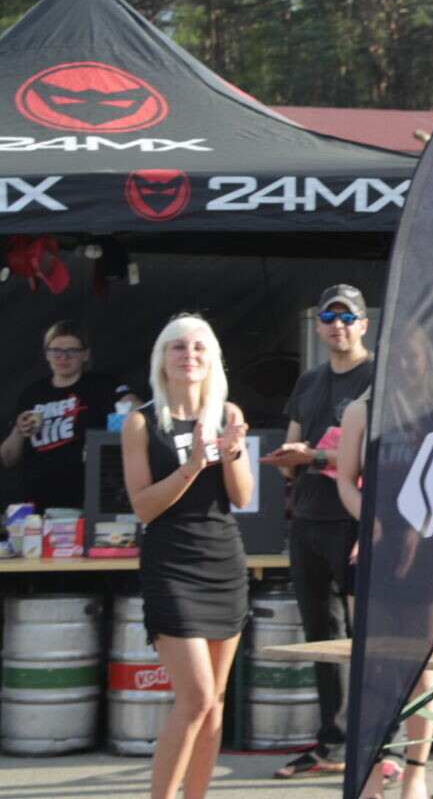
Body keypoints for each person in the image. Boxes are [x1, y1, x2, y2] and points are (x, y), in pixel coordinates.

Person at [121, 314, 253, 799]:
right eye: (178, 347)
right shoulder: (141, 422)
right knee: (195, 697)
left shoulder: (227, 413)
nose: (189, 355)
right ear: (162, 358)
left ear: (212, 358)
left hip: (223, 561)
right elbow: (143, 507)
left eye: (198, 347)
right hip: (172, 565)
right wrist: (194, 465)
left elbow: (241, 497)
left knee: (214, 702)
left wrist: (232, 453)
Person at [260, 284, 376, 780]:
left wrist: (319, 456)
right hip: (307, 520)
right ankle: (331, 742)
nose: (338, 326)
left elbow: (381, 453)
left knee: (366, 636)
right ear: (318, 326)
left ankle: (377, 743)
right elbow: (292, 454)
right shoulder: (309, 381)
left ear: (364, 324)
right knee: (321, 638)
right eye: (329, 317)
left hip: (354, 520)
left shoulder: (378, 376)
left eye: (347, 317)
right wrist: (287, 459)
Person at [336, 389, 433, 799]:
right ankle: (371, 774)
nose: (409, 362)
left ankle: (415, 775)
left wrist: (419, 525)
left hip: (425, 540)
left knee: (421, 666)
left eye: (417, 357)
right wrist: (372, 523)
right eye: (403, 357)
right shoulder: (361, 410)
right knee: (372, 665)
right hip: (373, 542)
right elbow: (345, 481)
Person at [2, 319, 139, 510]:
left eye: (72, 351)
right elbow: (8, 458)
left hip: (90, 502)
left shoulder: (101, 384)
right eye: (56, 351)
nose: (63, 357)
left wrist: (128, 414)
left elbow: (138, 408)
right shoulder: (33, 393)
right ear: (46, 354)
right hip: (39, 507)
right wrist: (19, 430)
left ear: (86, 354)